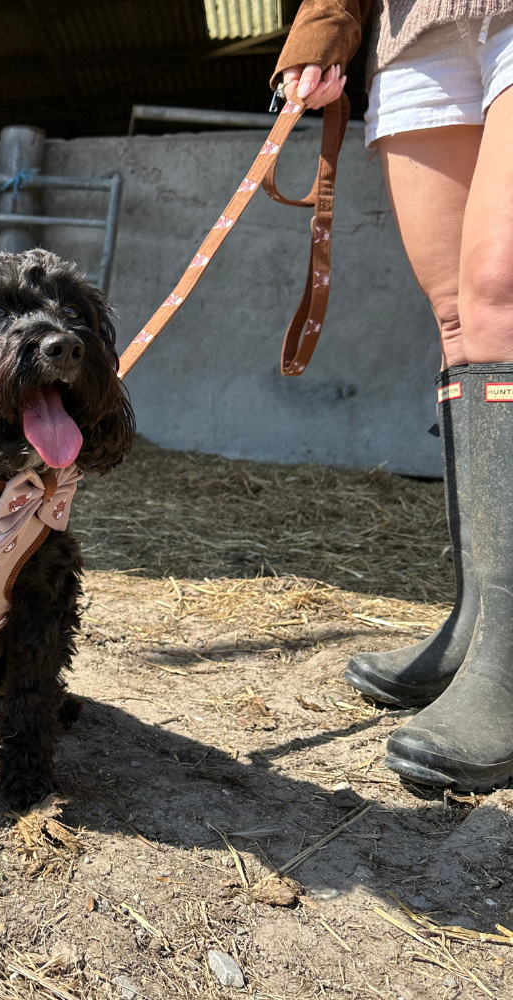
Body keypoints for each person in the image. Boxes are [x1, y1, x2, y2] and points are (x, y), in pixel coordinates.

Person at [271, 1, 513, 792]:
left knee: (498, 295)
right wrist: (323, 30)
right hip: (418, 25)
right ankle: (479, 626)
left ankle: (509, 658)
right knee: (456, 322)